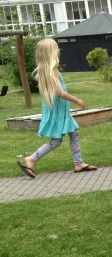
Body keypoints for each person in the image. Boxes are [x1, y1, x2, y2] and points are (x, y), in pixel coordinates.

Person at [16, 38, 97, 178]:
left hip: (59, 111)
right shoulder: (52, 72)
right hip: (58, 112)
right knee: (57, 140)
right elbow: (59, 93)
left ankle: (78, 163)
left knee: (73, 132)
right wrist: (77, 100)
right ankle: (31, 159)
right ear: (50, 53)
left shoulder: (47, 71)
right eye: (56, 49)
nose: (59, 51)